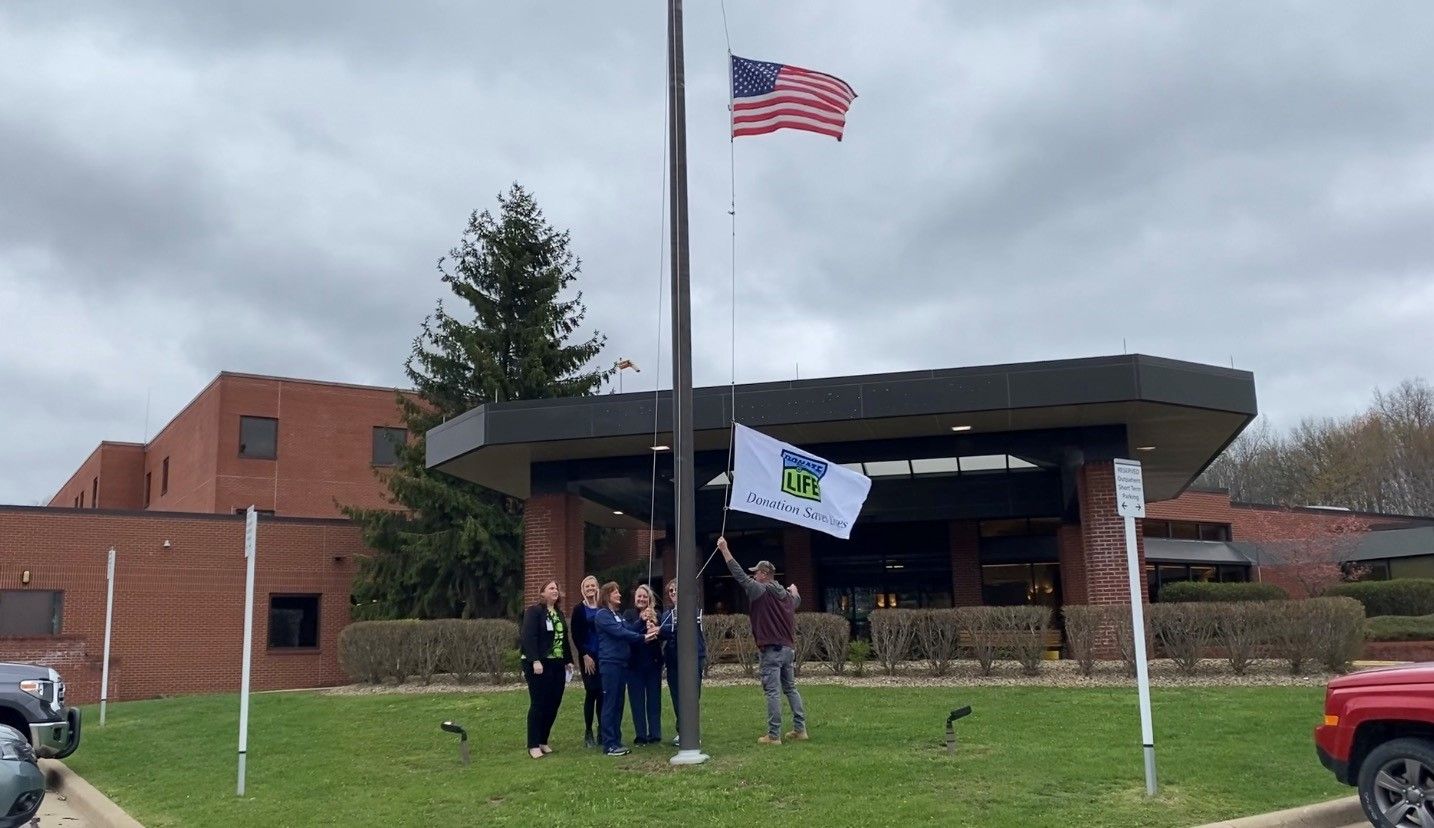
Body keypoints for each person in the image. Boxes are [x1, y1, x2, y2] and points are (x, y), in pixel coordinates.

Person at [718, 536, 807, 744]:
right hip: (788, 649)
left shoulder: (759, 590)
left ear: (764, 574)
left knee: (773, 692)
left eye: (756, 572)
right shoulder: (786, 596)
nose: (753, 575)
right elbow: (797, 599)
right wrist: (794, 589)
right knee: (790, 688)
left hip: (771, 651)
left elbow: (738, 575)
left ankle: (774, 735)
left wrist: (724, 549)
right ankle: (800, 729)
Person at [594, 581, 658, 756]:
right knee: (610, 704)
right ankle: (609, 744)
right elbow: (620, 633)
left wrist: (641, 621)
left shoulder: (618, 615)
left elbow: (628, 628)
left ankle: (616, 739)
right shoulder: (602, 615)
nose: (619, 595)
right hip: (610, 664)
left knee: (619, 704)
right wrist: (643, 637)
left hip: (622, 664)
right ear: (608, 595)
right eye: (616, 593)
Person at [519, 580, 574, 759]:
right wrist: (535, 660)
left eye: (557, 588)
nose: (555, 591)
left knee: (554, 703)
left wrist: (569, 660)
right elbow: (528, 636)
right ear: (542, 594)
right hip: (538, 665)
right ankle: (533, 744)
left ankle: (543, 740)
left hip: (557, 665)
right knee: (539, 704)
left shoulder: (558, 613)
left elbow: (563, 639)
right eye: (551, 588)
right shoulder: (534, 612)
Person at [659, 578, 706, 746]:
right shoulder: (667, 614)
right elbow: (664, 633)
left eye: (675, 590)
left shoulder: (694, 611)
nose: (672, 594)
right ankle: (682, 730)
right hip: (674, 660)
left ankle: (693, 731)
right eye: (670, 591)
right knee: (677, 695)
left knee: (693, 695)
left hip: (694, 659)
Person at [624, 584, 664, 745]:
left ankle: (655, 733)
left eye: (644, 597)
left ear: (650, 599)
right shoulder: (628, 615)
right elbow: (629, 634)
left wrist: (654, 626)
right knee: (637, 701)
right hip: (634, 665)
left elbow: (662, 636)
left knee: (654, 700)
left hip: (653, 664)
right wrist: (641, 621)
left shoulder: (657, 614)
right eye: (639, 596)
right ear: (635, 599)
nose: (641, 599)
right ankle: (641, 734)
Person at [568, 575, 605, 748]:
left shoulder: (603, 607)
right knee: (591, 692)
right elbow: (575, 635)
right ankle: (588, 731)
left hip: (604, 655)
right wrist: (584, 655)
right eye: (587, 586)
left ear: (598, 587)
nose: (590, 588)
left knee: (602, 694)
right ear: (583, 589)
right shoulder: (578, 610)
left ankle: (602, 730)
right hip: (588, 657)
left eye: (593, 585)